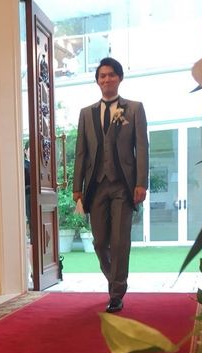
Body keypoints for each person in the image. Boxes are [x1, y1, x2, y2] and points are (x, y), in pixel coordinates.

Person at [73, 57, 148, 313]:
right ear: (97, 81)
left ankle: (116, 293)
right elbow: (81, 152)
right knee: (99, 242)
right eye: (102, 76)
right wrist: (77, 187)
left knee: (119, 241)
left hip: (123, 186)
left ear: (120, 78)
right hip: (96, 186)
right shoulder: (86, 114)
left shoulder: (134, 109)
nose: (107, 79)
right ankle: (114, 278)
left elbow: (142, 148)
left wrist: (141, 183)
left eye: (111, 74)